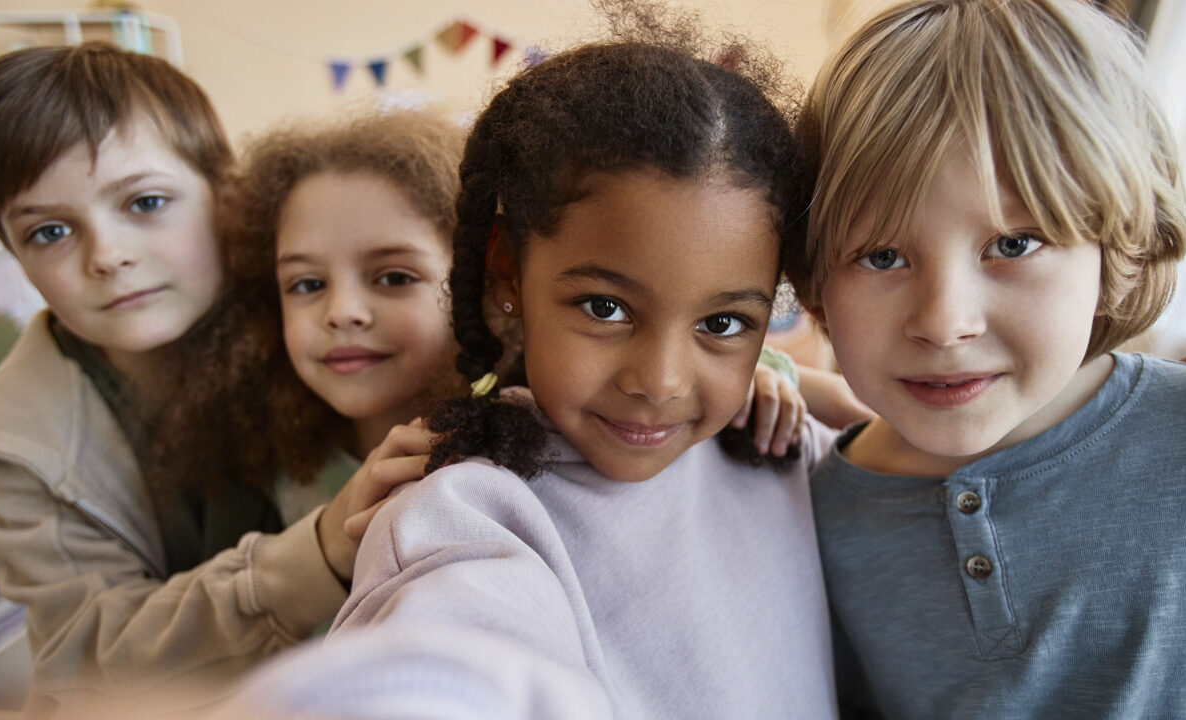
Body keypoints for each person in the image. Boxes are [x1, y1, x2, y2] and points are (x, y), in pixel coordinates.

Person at [316, 35, 839, 719]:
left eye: (722, 324)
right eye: (606, 308)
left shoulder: (781, 453)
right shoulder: (461, 515)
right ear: (508, 274)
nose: (661, 381)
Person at [785, 1, 1186, 717]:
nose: (944, 322)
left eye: (1014, 244)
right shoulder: (811, 514)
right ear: (816, 284)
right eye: (883, 256)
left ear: (1118, 253)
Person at [0, 43, 403, 712]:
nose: (107, 256)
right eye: (48, 233)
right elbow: (88, 662)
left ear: (231, 199)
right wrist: (319, 554)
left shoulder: (322, 326)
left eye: (146, 202)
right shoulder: (17, 444)